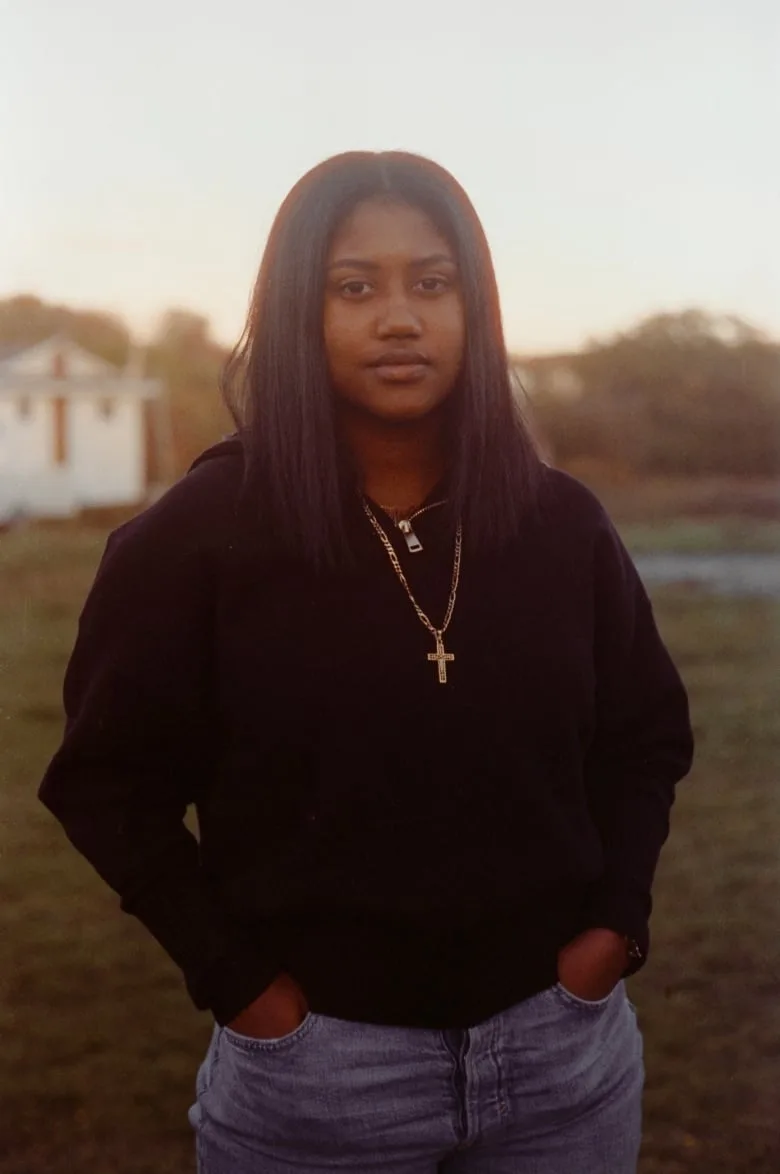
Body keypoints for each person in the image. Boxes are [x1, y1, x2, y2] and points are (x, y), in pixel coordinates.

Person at [39, 150, 694, 1173]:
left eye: (432, 283)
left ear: (475, 307)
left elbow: (645, 735)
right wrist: (243, 987)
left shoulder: (562, 525)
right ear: (300, 310)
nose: (400, 317)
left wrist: (615, 928)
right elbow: (104, 784)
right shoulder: (197, 539)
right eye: (356, 287)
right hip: (319, 1076)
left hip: (563, 1062)